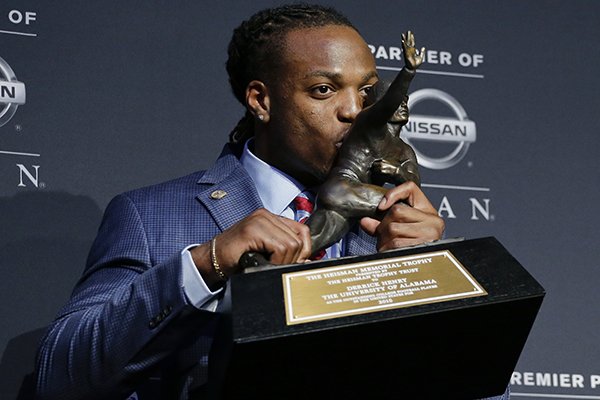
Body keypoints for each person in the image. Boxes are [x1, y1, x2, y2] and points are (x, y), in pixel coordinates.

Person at [35, 4, 508, 400]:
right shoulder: (150, 216)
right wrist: (207, 264)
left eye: (367, 91)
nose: (353, 111)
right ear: (261, 100)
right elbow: (59, 375)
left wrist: (429, 281)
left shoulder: (393, 223)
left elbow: (484, 389)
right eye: (324, 90)